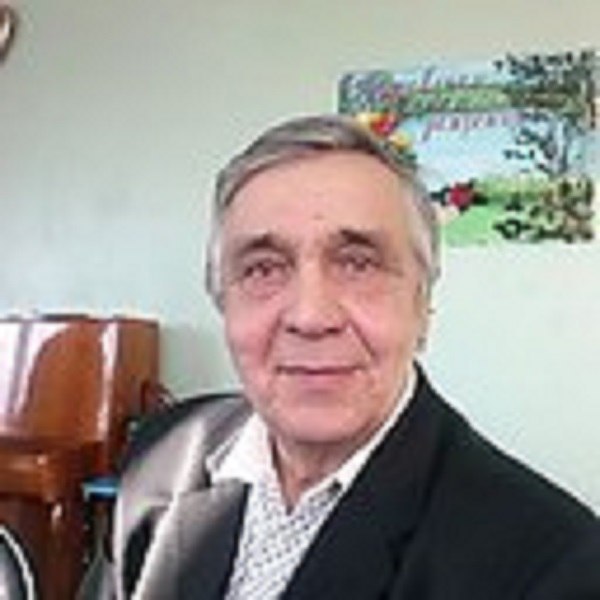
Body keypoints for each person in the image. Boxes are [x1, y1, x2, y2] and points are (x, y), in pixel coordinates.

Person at [100, 114, 600, 599]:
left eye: (358, 263)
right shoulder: (164, 455)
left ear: (422, 306)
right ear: (222, 301)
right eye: (263, 269)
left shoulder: (555, 566)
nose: (310, 317)